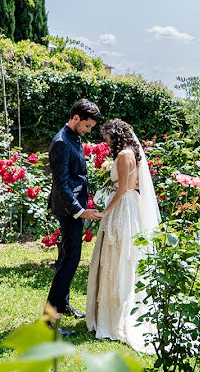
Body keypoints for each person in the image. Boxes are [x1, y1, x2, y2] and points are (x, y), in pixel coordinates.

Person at [86, 118, 160, 352]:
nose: (104, 140)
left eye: (106, 135)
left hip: (122, 207)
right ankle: (120, 308)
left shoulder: (121, 156)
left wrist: (105, 212)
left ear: (114, 134)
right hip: (132, 206)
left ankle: (116, 315)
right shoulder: (133, 153)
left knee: (117, 256)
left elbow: (121, 189)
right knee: (127, 255)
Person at [46, 99, 103, 336]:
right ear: (76, 118)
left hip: (75, 208)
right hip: (69, 210)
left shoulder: (74, 137)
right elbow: (61, 183)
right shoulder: (61, 142)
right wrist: (79, 211)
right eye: (87, 126)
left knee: (66, 258)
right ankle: (49, 321)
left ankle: (64, 305)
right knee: (70, 262)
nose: (88, 131)